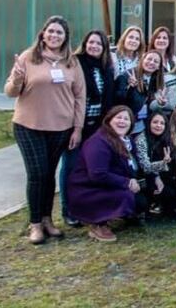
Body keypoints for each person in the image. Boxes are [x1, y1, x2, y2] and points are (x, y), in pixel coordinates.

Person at [4, 15, 86, 245]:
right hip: (29, 126)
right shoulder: (28, 57)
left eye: (59, 32)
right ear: (43, 33)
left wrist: (77, 128)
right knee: (37, 173)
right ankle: (35, 224)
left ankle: (48, 219)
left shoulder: (71, 62)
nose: (54, 35)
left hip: (61, 127)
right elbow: (10, 91)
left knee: (49, 175)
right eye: (50, 31)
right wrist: (17, 78)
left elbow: (80, 96)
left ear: (65, 37)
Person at [61, 29, 117, 226]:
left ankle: (85, 207)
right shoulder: (75, 64)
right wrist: (76, 127)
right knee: (71, 167)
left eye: (98, 44)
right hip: (76, 125)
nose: (94, 46)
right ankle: (67, 209)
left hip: (96, 127)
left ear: (104, 49)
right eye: (91, 43)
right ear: (85, 44)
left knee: (89, 170)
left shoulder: (106, 68)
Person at [66, 105, 144, 242]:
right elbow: (97, 174)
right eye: (118, 117)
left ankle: (121, 214)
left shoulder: (127, 141)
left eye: (126, 119)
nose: (122, 121)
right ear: (109, 120)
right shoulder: (98, 142)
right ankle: (98, 223)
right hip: (87, 190)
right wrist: (127, 182)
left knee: (142, 199)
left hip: (107, 184)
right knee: (128, 196)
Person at [133, 111, 176, 218]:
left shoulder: (167, 139)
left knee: (172, 189)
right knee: (151, 186)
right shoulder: (141, 139)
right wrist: (162, 165)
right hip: (142, 177)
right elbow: (145, 167)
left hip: (160, 174)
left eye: (162, 123)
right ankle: (142, 212)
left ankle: (166, 209)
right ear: (149, 123)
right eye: (155, 122)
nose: (158, 125)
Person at [118, 49, 166, 135]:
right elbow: (118, 100)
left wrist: (159, 103)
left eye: (155, 61)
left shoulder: (155, 81)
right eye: (149, 59)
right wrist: (130, 88)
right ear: (142, 60)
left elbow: (149, 105)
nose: (151, 62)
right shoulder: (127, 75)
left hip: (142, 125)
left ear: (159, 66)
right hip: (125, 123)